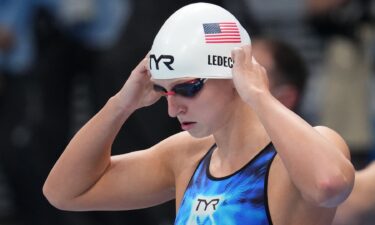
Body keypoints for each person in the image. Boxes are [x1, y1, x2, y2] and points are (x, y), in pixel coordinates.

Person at [43, 3, 355, 225]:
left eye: (187, 88)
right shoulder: (185, 157)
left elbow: (328, 185)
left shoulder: (306, 151)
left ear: (235, 77)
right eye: (164, 91)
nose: (172, 107)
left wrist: (259, 95)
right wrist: (120, 105)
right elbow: (63, 192)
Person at [252, 37, 375, 225]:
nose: (235, 80)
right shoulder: (200, 151)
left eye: (251, 72)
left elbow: (336, 192)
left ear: (285, 97)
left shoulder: (322, 147)